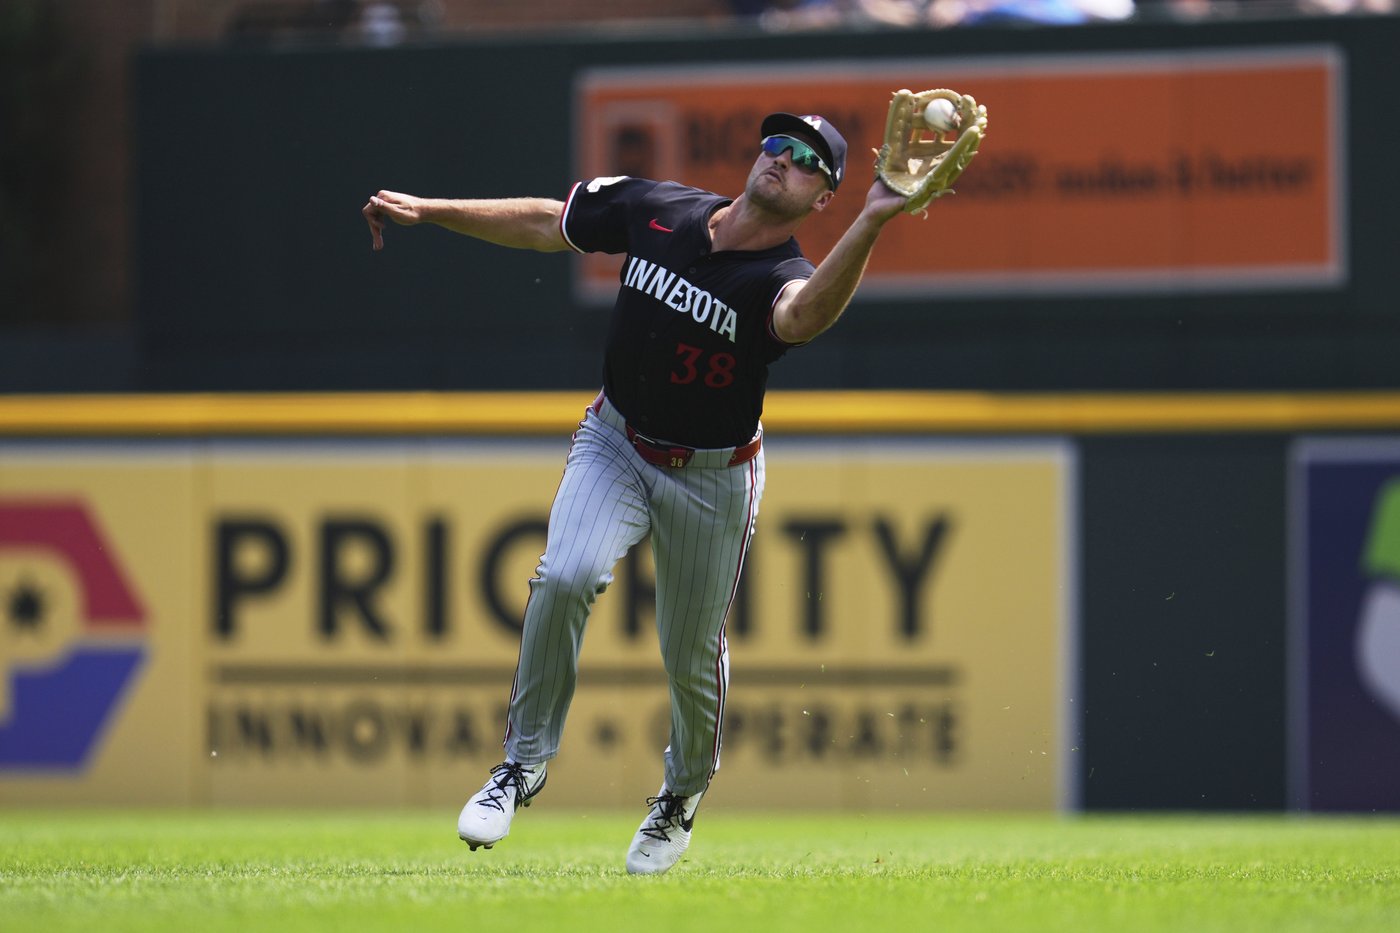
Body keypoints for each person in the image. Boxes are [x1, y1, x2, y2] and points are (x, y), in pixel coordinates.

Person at [362, 112, 909, 874]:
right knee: (565, 575)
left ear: (823, 201)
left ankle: (680, 796)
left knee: (689, 657)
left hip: (713, 474)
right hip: (616, 439)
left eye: (809, 160)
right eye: (778, 144)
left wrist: (875, 220)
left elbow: (804, 315)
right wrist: (431, 210)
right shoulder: (664, 208)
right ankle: (521, 767)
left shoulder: (781, 277)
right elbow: (550, 224)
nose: (784, 159)